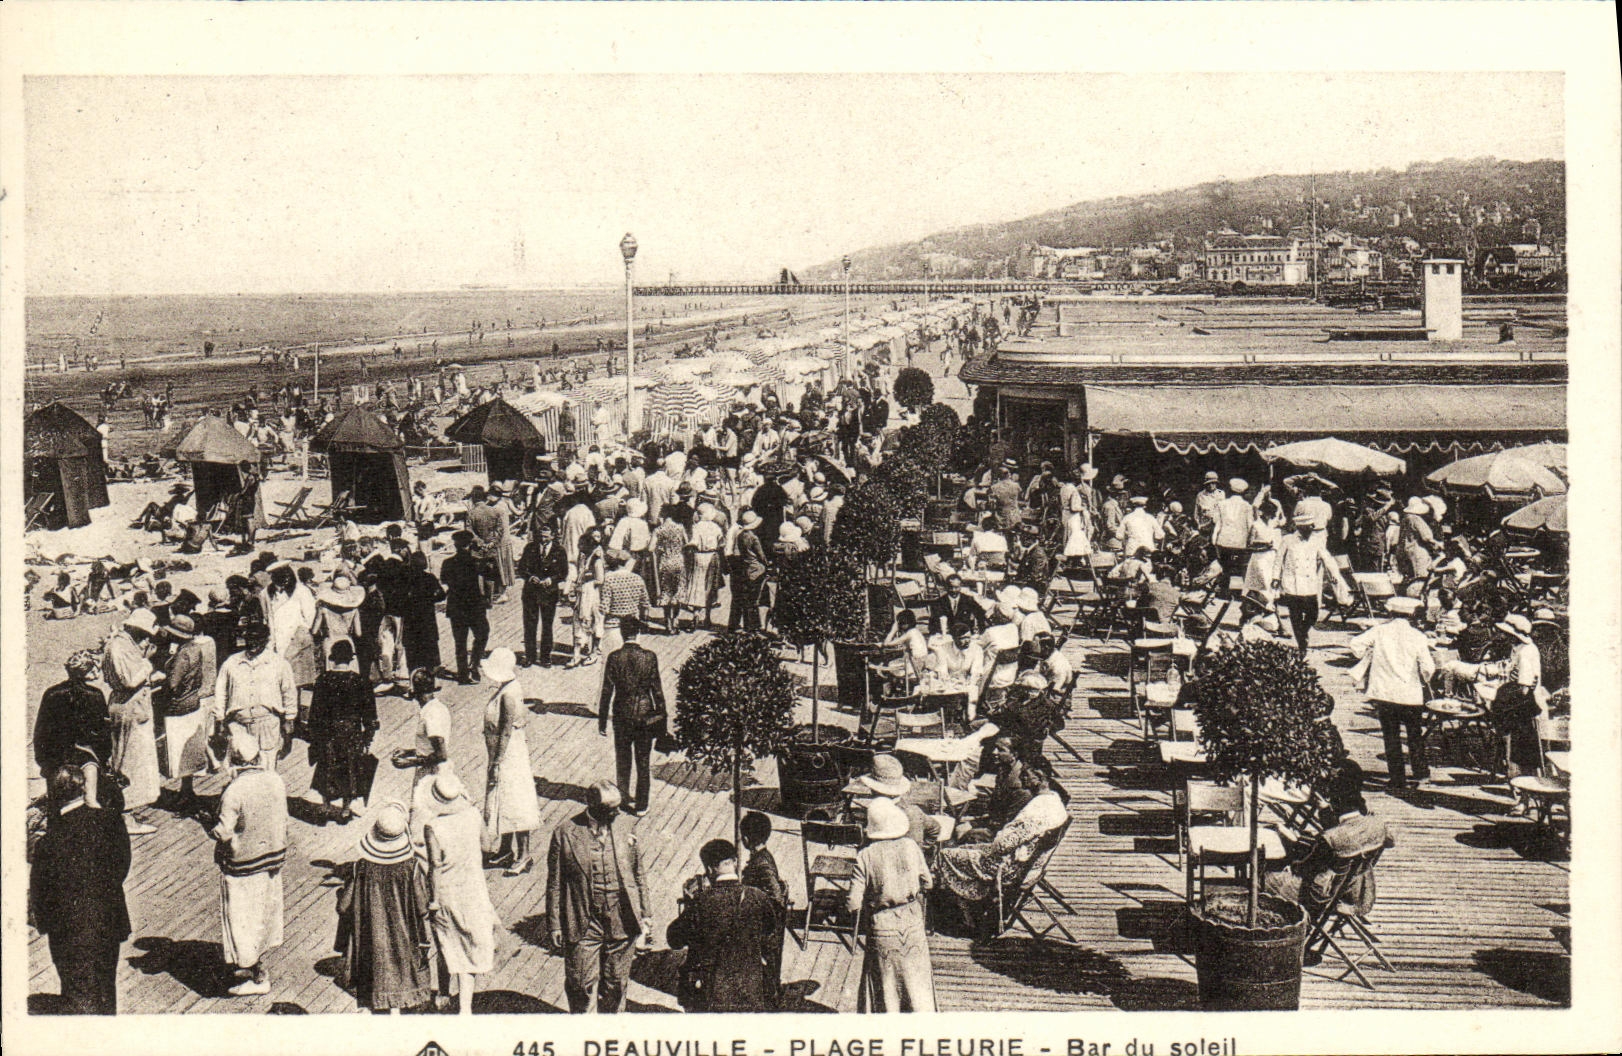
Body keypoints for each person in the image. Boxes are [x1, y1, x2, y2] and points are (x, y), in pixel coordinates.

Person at [29, 765, 132, 1015]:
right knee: (106, 987)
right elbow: (122, 864)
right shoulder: (110, 820)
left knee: (77, 993)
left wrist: (46, 924)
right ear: (83, 788)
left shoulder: (48, 842)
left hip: (68, 931)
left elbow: (40, 893)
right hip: (109, 920)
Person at [546, 781, 653, 1014]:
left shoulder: (626, 825)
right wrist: (555, 924)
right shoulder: (565, 833)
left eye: (618, 807)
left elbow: (638, 874)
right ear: (592, 805)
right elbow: (555, 883)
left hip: (620, 917)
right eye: (610, 809)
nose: (617, 812)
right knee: (580, 983)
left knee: (616, 983)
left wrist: (645, 915)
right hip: (583, 918)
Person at [935, 763, 1068, 938]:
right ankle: (973, 906)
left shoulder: (1037, 808)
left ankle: (967, 918)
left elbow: (1002, 845)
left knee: (946, 854)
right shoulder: (1053, 801)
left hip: (1008, 869)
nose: (1021, 780)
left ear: (1040, 778)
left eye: (1026, 776)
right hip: (1028, 864)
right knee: (966, 848)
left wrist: (999, 836)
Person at [1265, 760, 1393, 934]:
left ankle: (1289, 933)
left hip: (1322, 897)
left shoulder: (1330, 839)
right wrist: (1326, 813)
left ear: (1334, 800)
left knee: (1265, 878)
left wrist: (1293, 842)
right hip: (1358, 891)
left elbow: (1304, 867)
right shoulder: (1377, 824)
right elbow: (1355, 835)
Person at [334, 803, 434, 1013]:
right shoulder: (411, 867)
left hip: (373, 941)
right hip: (404, 938)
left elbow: (343, 907)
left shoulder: (361, 867)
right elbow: (423, 908)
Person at [212, 727, 288, 997]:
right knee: (264, 918)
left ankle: (258, 977)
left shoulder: (234, 791)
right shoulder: (275, 780)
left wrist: (211, 828)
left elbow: (224, 831)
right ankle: (256, 966)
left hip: (243, 866)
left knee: (243, 920)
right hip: (271, 863)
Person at [667, 839, 780, 1012]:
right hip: (751, 992)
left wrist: (690, 906)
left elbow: (674, 940)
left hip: (711, 996)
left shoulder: (702, 901)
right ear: (734, 862)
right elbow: (770, 930)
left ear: (710, 869)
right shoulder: (758, 896)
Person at [848, 798, 936, 1012]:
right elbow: (928, 882)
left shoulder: (865, 856)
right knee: (918, 985)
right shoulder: (911, 846)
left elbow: (852, 903)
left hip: (883, 924)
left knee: (886, 988)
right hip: (912, 921)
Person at [422, 773, 497, 1015]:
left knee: (446, 942)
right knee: (470, 943)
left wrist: (433, 901)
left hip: (447, 891)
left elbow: (435, 865)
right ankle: (465, 1007)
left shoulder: (433, 826)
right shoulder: (473, 815)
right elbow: (488, 847)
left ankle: (443, 993)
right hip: (474, 888)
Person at [1348, 597, 1436, 791]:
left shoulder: (1379, 631)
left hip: (1385, 692)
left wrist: (1368, 654)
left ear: (1390, 613)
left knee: (1391, 736)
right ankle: (1421, 774)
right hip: (1410, 694)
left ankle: (1397, 778)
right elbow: (1428, 667)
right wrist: (1425, 680)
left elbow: (1355, 645)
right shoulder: (1418, 636)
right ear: (1411, 615)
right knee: (1415, 735)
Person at [102, 608, 166, 832]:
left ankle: (126, 808)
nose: (147, 638)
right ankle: (126, 813)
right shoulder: (120, 646)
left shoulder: (120, 644)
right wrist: (147, 664)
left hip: (128, 704)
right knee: (130, 759)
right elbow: (130, 680)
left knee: (129, 757)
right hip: (129, 706)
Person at [598, 617, 667, 817]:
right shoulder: (649, 657)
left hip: (622, 714)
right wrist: (662, 720)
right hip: (645, 716)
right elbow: (658, 691)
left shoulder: (614, 657)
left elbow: (606, 691)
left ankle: (622, 797)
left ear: (621, 632)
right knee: (643, 760)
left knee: (623, 758)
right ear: (638, 633)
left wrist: (603, 720)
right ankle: (642, 805)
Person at [481, 648, 541, 875]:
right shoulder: (507, 688)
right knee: (503, 800)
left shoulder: (509, 694)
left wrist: (496, 762)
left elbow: (505, 731)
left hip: (508, 754)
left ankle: (524, 854)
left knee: (516, 802)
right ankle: (506, 848)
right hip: (504, 751)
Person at [306, 639, 379, 821]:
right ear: (350, 659)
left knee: (326, 766)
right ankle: (346, 808)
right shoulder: (361, 681)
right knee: (349, 768)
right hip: (351, 732)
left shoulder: (323, 680)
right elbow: (369, 715)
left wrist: (314, 736)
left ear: (332, 659)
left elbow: (315, 712)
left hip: (328, 732)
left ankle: (326, 805)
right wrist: (367, 736)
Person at [34, 650, 116, 811]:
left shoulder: (51, 693)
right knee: (92, 800)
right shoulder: (94, 695)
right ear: (89, 671)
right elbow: (101, 733)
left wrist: (43, 760)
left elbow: (41, 732)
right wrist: (104, 758)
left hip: (54, 756)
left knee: (55, 804)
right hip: (83, 755)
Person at [212, 620, 298, 765]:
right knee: (241, 772)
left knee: (267, 770)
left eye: (257, 639)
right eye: (249, 639)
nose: (252, 643)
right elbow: (221, 693)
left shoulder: (279, 663)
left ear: (266, 640)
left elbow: (289, 693)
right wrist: (219, 720)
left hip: (267, 725)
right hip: (239, 726)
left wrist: (289, 722)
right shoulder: (231, 663)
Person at [155, 614, 216, 812]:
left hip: (178, 705)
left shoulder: (182, 654)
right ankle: (187, 790)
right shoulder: (196, 648)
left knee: (179, 750)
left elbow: (173, 684)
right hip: (192, 701)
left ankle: (185, 794)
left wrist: (160, 679)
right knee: (189, 750)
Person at [1273, 509, 1351, 653]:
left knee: (1313, 614)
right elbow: (1278, 560)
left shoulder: (1316, 541)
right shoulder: (1288, 540)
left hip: (1310, 583)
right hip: (1292, 583)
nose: (1313, 529)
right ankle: (1302, 644)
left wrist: (1333, 573)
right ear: (1301, 527)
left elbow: (1327, 558)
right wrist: (1275, 578)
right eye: (1310, 527)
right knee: (1295, 615)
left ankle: (1303, 632)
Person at [394, 668, 453, 854]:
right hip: (435, 772)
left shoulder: (431, 715)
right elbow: (431, 747)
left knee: (420, 821)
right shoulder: (437, 708)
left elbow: (441, 754)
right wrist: (409, 751)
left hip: (431, 775)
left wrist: (410, 762)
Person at [738, 811, 788, 1009]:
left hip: (766, 924)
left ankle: (768, 998)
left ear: (747, 839)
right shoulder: (763, 857)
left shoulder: (761, 863)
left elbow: (775, 895)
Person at [518, 519, 569, 667]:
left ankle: (546, 657)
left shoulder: (559, 551)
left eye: (546, 537)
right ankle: (530, 656)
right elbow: (522, 568)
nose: (543, 539)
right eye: (541, 536)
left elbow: (563, 572)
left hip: (549, 593)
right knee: (529, 625)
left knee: (547, 626)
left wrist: (551, 580)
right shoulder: (530, 548)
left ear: (553, 536)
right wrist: (530, 577)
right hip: (531, 593)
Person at [440, 531, 489, 684]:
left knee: (460, 642)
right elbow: (490, 578)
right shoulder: (478, 562)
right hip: (475, 607)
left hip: (456, 607)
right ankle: (474, 664)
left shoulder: (447, 563)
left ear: (455, 544)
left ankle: (462, 673)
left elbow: (444, 580)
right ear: (470, 544)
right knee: (482, 635)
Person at [397, 551, 446, 677]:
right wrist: (430, 599)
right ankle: (429, 683)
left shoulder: (405, 579)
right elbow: (441, 595)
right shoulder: (429, 578)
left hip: (411, 622)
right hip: (427, 621)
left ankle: (413, 684)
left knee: (412, 657)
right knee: (429, 654)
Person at [467, 485, 514, 600]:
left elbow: (469, 530)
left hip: (495, 544)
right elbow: (499, 529)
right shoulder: (496, 508)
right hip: (497, 542)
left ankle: (495, 594)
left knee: (487, 571)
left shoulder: (494, 508)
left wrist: (481, 543)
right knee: (495, 570)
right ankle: (494, 595)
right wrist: (492, 542)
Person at [599, 552, 651, 657]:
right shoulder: (637, 578)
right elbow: (645, 603)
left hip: (613, 626)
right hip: (632, 627)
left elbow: (604, 607)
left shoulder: (609, 578)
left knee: (611, 662)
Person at [1211, 478, 1256, 590]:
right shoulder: (1247, 506)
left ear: (1230, 490)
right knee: (1243, 567)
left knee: (1225, 567)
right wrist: (1250, 541)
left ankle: (1224, 590)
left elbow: (1215, 521)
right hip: (1240, 542)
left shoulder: (1222, 504)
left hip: (1224, 540)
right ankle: (1244, 592)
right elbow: (1251, 525)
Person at [729, 510, 769, 632]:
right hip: (756, 569)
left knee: (746, 598)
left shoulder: (740, 535)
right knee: (754, 599)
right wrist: (767, 564)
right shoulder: (753, 538)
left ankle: (746, 624)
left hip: (745, 568)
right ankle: (753, 625)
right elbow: (761, 555)